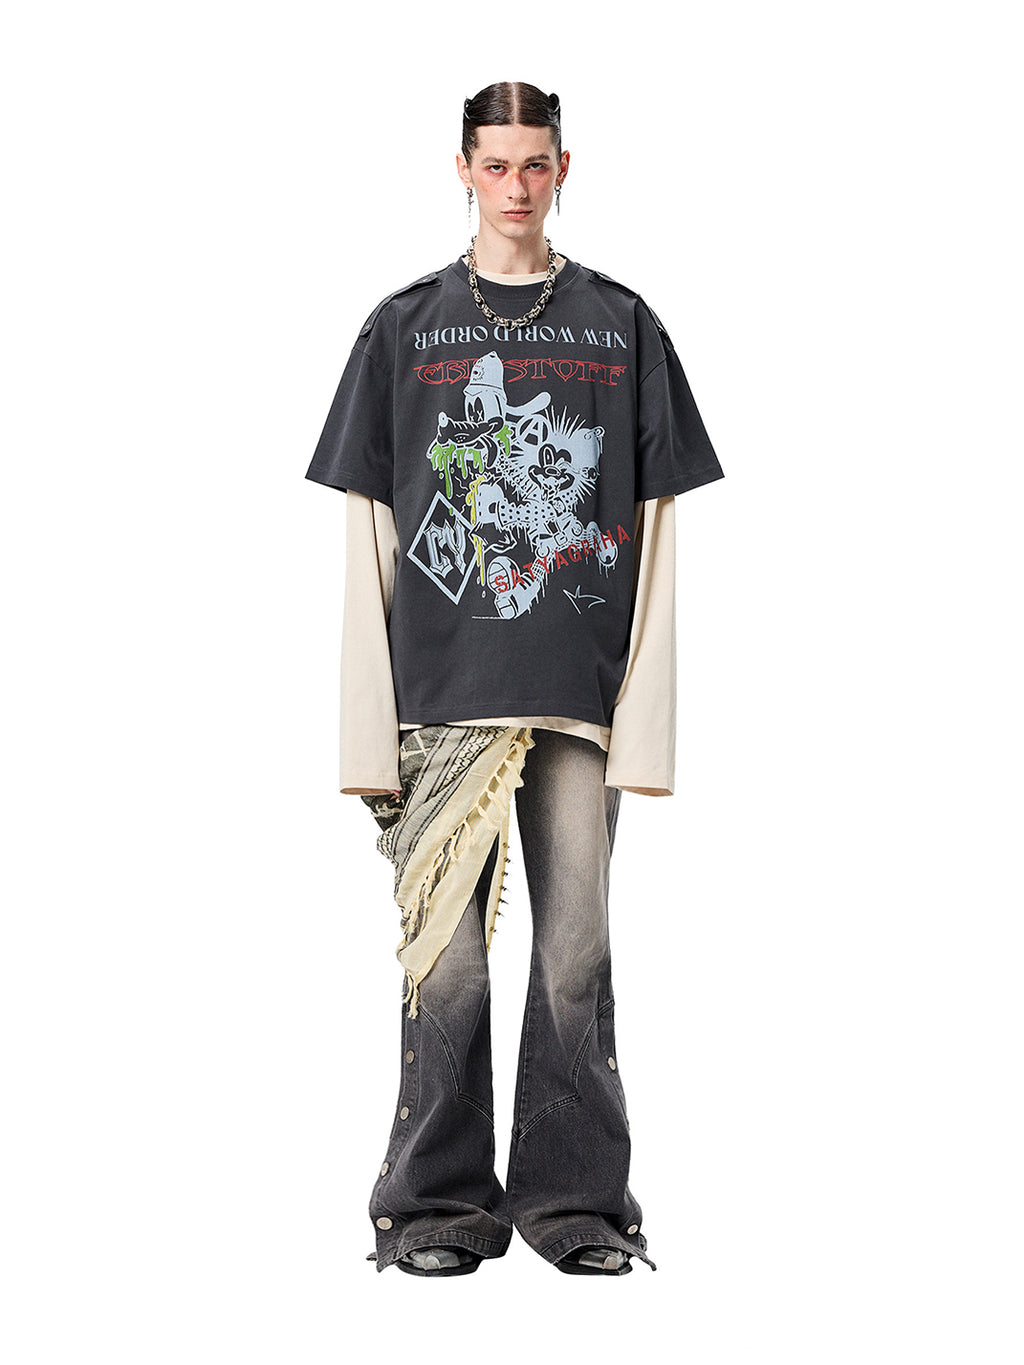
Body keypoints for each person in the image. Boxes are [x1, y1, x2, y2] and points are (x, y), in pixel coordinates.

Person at [305, 81, 724, 1276]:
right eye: (495, 165)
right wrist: (364, 731)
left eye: (535, 164)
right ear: (462, 170)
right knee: (443, 963)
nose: (516, 186)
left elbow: (656, 535)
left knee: (576, 954)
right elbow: (369, 540)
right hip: (440, 703)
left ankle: (576, 1205)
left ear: (563, 168)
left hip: (577, 699)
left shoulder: (619, 324)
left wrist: (645, 723)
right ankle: (433, 1205)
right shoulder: (404, 329)